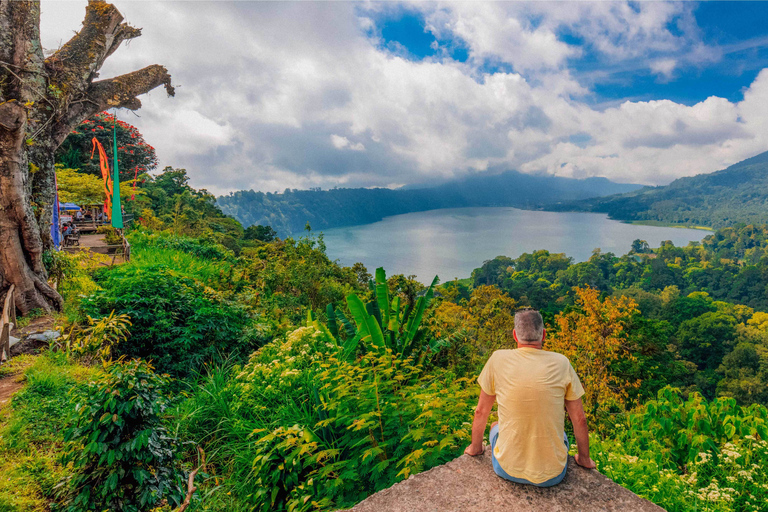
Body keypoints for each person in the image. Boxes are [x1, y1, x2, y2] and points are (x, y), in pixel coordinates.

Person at [464, 308, 596, 487]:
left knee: (496, 425)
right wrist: (584, 459)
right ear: (543, 334)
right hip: (553, 476)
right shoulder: (562, 363)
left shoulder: (497, 359)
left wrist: (475, 448)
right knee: (562, 435)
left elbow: (481, 412)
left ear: (515, 335)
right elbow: (579, 419)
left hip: (505, 469)